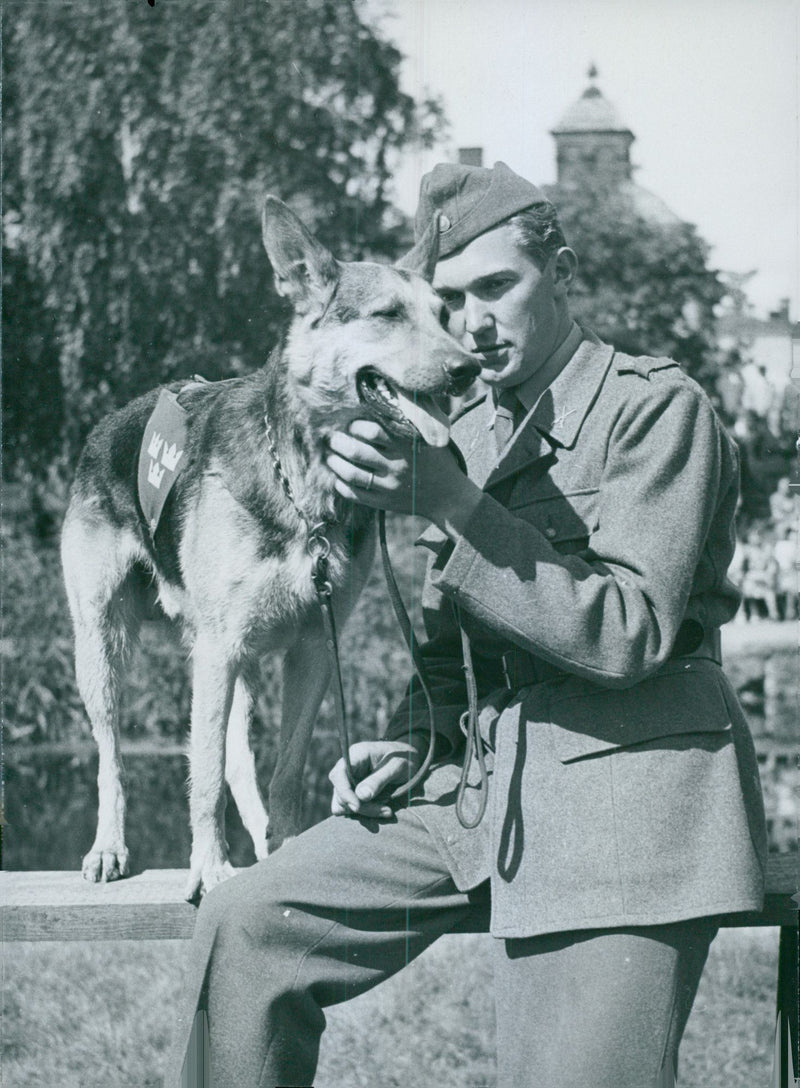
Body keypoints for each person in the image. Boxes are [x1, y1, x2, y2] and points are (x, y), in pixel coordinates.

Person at [165, 162, 767, 1088]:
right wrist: (413, 741)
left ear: (559, 269)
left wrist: (452, 503)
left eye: (496, 287)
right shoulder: (466, 428)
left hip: (629, 798)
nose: (469, 325)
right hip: (479, 790)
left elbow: (630, 634)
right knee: (245, 928)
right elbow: (454, 649)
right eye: (447, 300)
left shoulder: (656, 412)